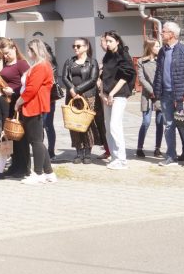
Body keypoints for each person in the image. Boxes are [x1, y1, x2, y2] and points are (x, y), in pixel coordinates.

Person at [154, 21, 184, 168]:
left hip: (181, 95)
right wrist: (156, 92)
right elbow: (159, 73)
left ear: (172, 34)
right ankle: (171, 156)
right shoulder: (162, 51)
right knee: (169, 126)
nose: (161, 33)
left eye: (164, 31)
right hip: (165, 94)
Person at [16, 39, 55, 185]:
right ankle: (49, 172)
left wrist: (19, 101)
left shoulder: (41, 66)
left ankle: (38, 173)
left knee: (36, 141)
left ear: (35, 50)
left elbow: (32, 89)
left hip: (34, 105)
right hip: (33, 104)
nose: (28, 52)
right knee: (37, 140)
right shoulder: (39, 65)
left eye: (29, 50)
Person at [0, 38, 30, 179]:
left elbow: (28, 85)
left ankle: (24, 167)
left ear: (14, 49)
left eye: (7, 53)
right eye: (4, 54)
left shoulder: (22, 64)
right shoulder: (4, 64)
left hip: (18, 102)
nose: (6, 56)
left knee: (21, 136)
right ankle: (15, 165)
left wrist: (14, 91)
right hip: (8, 103)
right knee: (12, 136)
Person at [99, 31, 135, 170]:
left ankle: (122, 159)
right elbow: (103, 76)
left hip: (119, 94)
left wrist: (112, 93)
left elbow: (126, 76)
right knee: (108, 127)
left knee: (115, 126)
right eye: (106, 41)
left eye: (110, 41)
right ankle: (114, 157)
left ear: (117, 41)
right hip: (107, 94)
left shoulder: (123, 55)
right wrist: (103, 93)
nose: (107, 44)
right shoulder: (107, 56)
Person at [62, 38, 100, 163]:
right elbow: (65, 77)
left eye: (78, 46)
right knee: (73, 124)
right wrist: (72, 91)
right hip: (72, 97)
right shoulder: (69, 61)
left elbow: (93, 79)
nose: (75, 48)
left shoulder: (92, 62)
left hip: (88, 96)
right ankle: (79, 152)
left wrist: (77, 90)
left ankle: (88, 153)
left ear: (86, 47)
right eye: (74, 46)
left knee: (87, 124)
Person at [135, 40, 161, 159]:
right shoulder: (141, 61)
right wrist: (152, 91)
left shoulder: (161, 60)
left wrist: (158, 91)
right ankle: (139, 148)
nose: (159, 48)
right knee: (146, 122)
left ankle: (157, 148)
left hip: (160, 94)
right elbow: (141, 78)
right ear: (150, 47)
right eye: (157, 46)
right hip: (147, 95)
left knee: (160, 122)